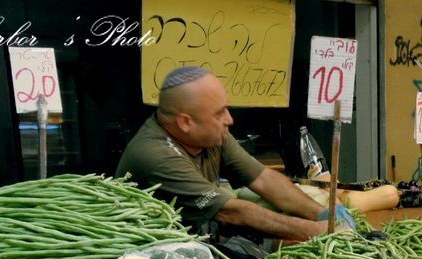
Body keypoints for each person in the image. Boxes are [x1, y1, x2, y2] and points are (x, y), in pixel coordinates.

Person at [116, 66, 351, 240]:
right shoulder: (155, 155)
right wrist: (318, 232)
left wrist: (324, 214)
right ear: (185, 123)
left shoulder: (212, 136)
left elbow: (265, 180)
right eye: (219, 114)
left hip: (194, 248)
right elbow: (231, 212)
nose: (230, 119)